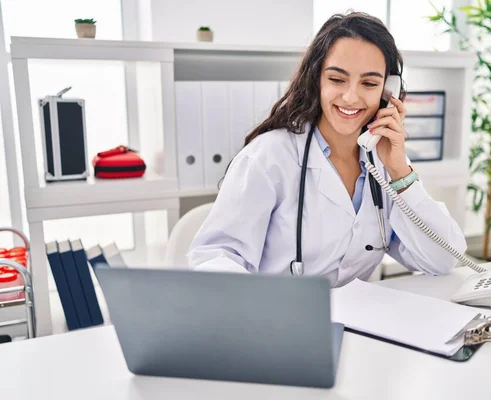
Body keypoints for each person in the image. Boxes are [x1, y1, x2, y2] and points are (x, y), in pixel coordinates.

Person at [187, 12, 467, 287]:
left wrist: (400, 172)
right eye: (337, 79)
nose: (351, 97)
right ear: (316, 79)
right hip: (281, 323)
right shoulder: (268, 158)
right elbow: (215, 258)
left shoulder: (385, 164)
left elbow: (442, 260)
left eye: (369, 83)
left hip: (361, 326)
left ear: (388, 90)